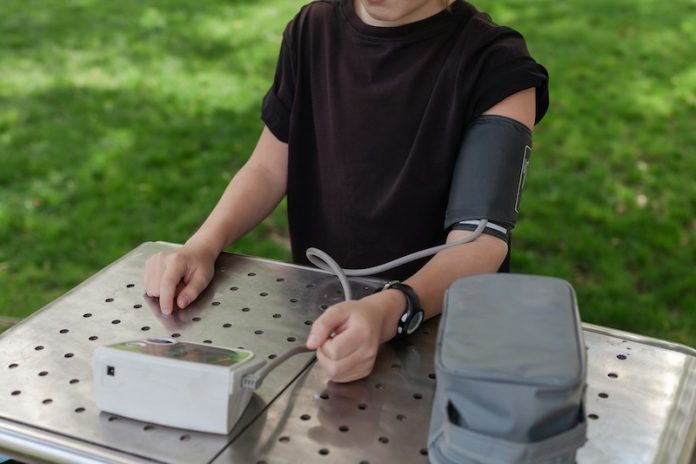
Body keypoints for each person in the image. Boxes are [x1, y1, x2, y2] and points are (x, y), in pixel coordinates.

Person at [144, 0, 549, 383]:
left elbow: (480, 240)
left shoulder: (496, 64)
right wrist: (203, 245)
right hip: (325, 322)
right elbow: (268, 167)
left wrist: (391, 309)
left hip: (445, 335)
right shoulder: (311, 30)